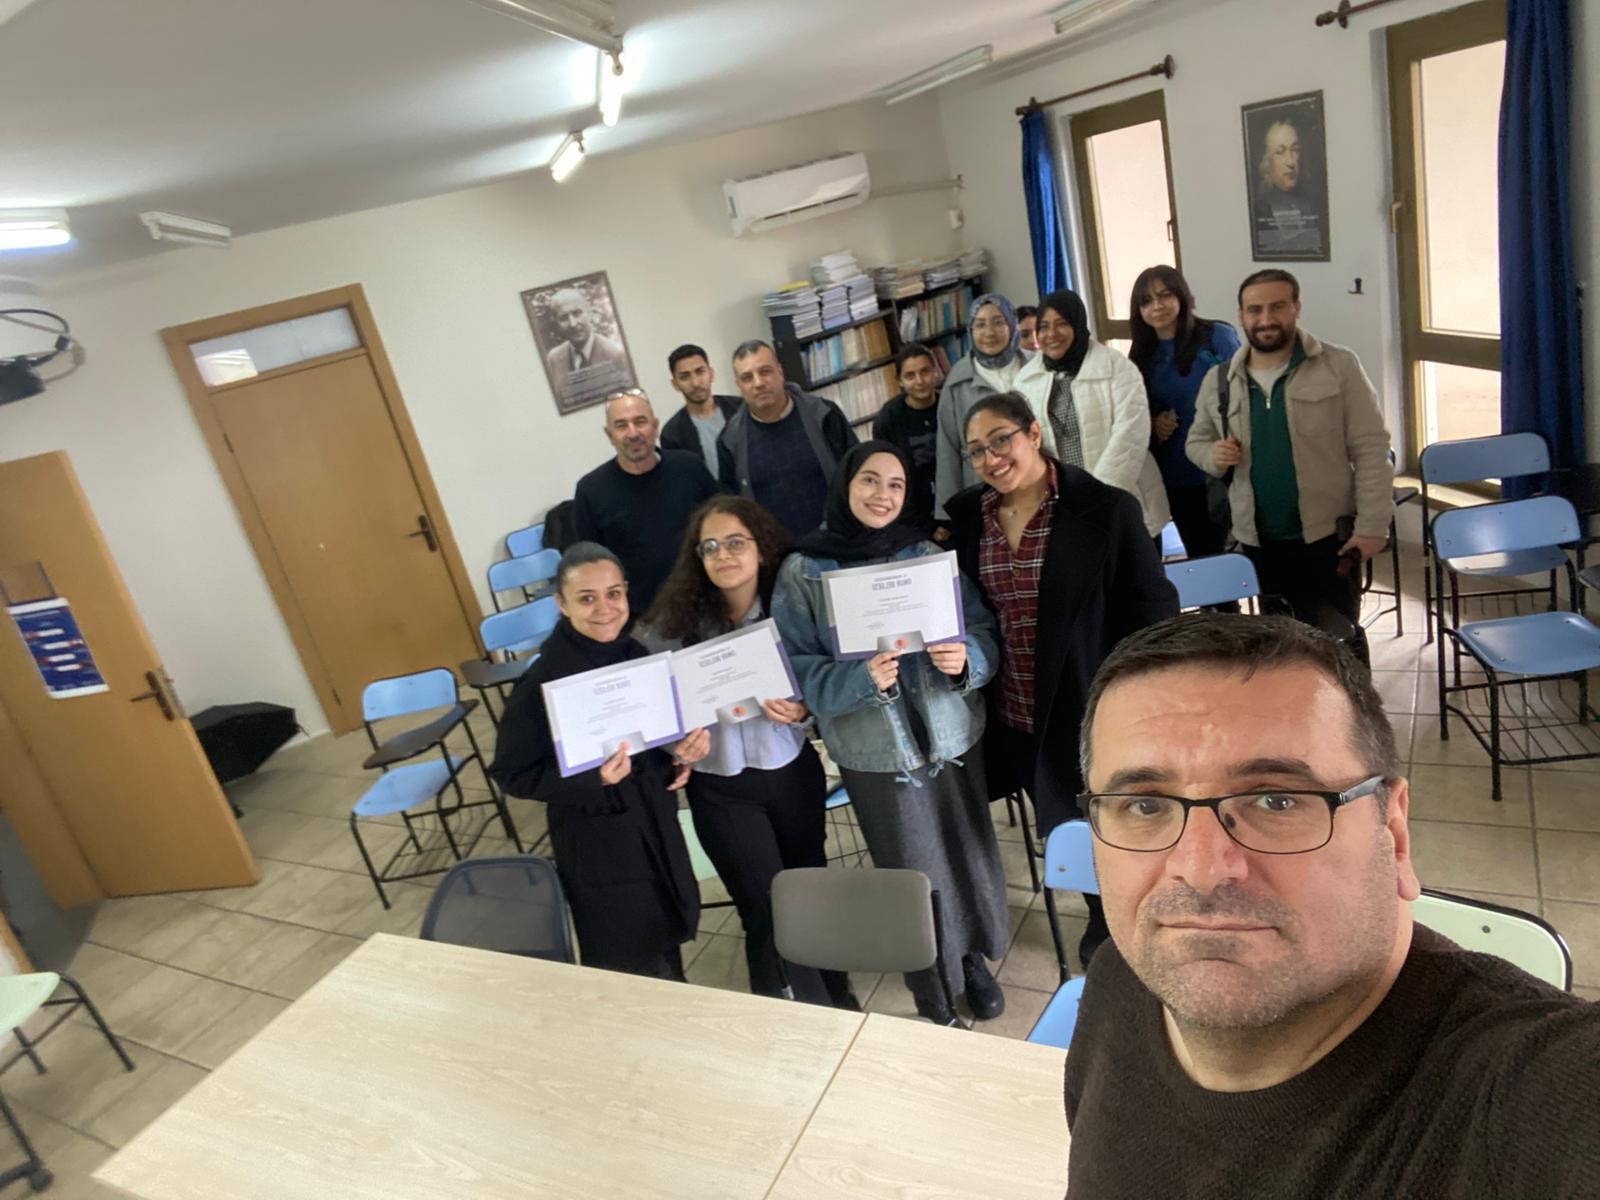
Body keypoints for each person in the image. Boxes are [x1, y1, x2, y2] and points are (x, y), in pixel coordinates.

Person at [1064, 612, 1600, 1197]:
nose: (1201, 869)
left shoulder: (1528, 1092)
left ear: (1393, 831)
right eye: (1144, 806)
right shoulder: (1122, 978)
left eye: (1276, 800)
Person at [772, 442, 1008, 1025]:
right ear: (845, 485)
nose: (883, 495)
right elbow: (793, 667)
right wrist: (858, 680)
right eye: (870, 481)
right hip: (876, 751)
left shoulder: (925, 554)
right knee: (912, 869)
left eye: (896, 485)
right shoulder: (805, 569)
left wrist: (967, 659)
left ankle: (971, 959)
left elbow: (981, 628)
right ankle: (933, 988)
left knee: (966, 853)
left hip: (950, 735)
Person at [944, 392, 1179, 965]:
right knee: (1064, 823)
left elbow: (1154, 614)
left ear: (1033, 433)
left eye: (1001, 440)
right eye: (976, 451)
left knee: (1116, 824)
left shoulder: (1107, 509)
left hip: (1090, 705)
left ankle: (1130, 919)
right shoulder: (967, 520)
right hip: (1015, 711)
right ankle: (1102, 917)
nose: (992, 458)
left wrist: (1138, 701)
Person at [641, 496, 857, 1010]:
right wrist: (677, 745)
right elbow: (654, 713)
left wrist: (803, 709)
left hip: (790, 775)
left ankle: (835, 992)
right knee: (764, 908)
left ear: (762, 549)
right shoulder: (670, 628)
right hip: (721, 788)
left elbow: (826, 691)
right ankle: (791, 1013)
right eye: (710, 547)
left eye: (736, 542)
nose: (723, 555)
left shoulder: (793, 612)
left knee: (811, 893)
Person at [488, 543, 710, 979]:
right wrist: (595, 779)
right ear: (561, 604)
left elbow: (647, 740)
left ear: (626, 592)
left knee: (667, 941)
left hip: (654, 822)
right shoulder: (542, 684)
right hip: (598, 844)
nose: (605, 609)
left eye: (613, 594)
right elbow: (511, 774)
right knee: (626, 963)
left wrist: (676, 758)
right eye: (586, 598)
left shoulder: (636, 657)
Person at [1186, 269, 1393, 635]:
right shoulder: (1219, 380)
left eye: (1277, 306)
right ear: (1241, 316)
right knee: (1282, 644)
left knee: (1336, 641)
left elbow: (1372, 449)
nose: (1266, 319)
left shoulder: (1339, 366)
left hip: (1328, 539)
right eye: (1255, 310)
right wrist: (1212, 456)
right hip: (1258, 541)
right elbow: (1196, 441)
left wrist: (1373, 526)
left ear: (1296, 308)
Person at [1013, 289, 1170, 543]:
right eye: (1044, 326)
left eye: (1062, 323)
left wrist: (1097, 497)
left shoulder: (1117, 367)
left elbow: (1131, 436)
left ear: (1077, 324)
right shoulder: (1025, 380)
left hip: (1124, 498)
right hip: (1066, 510)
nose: (1051, 334)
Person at [1127, 265, 1242, 559]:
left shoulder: (1216, 336)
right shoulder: (1141, 353)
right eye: (1147, 301)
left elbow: (1243, 390)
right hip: (1174, 472)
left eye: (1165, 295)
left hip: (1221, 467)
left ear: (1182, 296)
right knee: (1201, 556)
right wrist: (1154, 421)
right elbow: (1134, 408)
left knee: (1231, 556)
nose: (1157, 306)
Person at [572, 390, 722, 612]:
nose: (633, 433)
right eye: (621, 425)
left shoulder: (690, 467)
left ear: (655, 426)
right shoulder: (590, 491)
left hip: (707, 600)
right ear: (609, 435)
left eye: (640, 421)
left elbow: (722, 524)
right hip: (641, 617)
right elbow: (591, 566)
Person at [717, 340, 858, 538]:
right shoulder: (729, 441)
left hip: (837, 540)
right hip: (776, 551)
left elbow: (858, 474)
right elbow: (734, 511)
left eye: (765, 371)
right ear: (739, 386)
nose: (758, 383)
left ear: (780, 372)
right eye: (747, 378)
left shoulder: (824, 415)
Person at [933, 293, 1031, 520]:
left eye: (998, 322)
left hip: (1036, 480)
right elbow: (947, 451)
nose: (989, 332)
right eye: (980, 325)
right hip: (985, 487)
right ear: (970, 330)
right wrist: (947, 515)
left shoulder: (1036, 365)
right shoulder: (957, 382)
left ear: (1012, 324)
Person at [870, 343, 941, 534]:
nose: (920, 381)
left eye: (925, 371)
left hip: (954, 503)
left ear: (936, 372)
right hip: (915, 517)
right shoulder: (888, 420)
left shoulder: (949, 405)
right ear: (899, 381)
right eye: (910, 376)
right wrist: (925, 527)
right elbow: (889, 480)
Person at [659, 343, 740, 476]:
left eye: (700, 372)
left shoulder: (741, 409)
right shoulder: (672, 434)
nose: (695, 383)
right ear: (675, 384)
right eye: (685, 377)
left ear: (711, 374)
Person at [1252, 119, 1325, 257]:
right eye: (1280, 152)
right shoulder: (1260, 209)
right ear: (1267, 161)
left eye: (1295, 150)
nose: (1291, 162)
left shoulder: (1314, 203)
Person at [543, 286, 630, 399]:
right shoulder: (553, 359)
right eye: (564, 318)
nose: (573, 324)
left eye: (577, 313)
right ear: (556, 323)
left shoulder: (616, 354)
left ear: (589, 312)